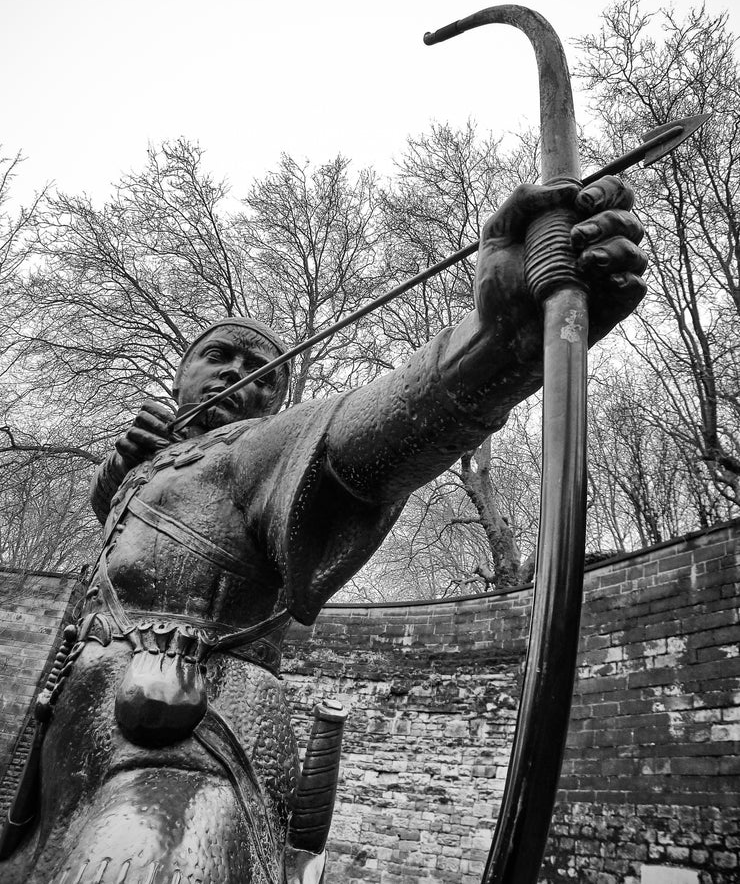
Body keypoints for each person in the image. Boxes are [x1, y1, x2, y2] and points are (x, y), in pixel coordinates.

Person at [2, 178, 646, 884]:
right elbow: (128, 541)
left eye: (259, 373)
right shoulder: (148, 462)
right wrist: (121, 468)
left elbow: (361, 439)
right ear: (182, 374)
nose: (238, 376)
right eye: (219, 358)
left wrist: (499, 341)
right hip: (64, 741)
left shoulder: (259, 449)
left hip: (185, 741)